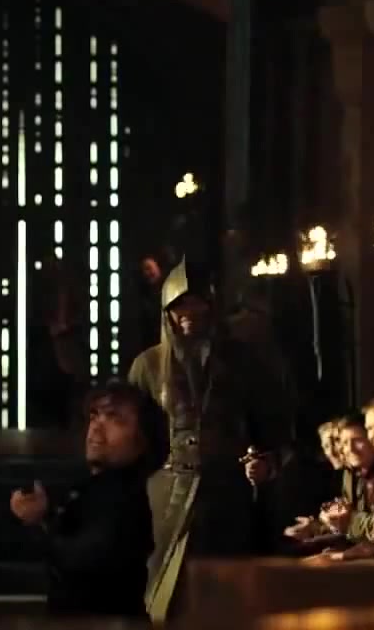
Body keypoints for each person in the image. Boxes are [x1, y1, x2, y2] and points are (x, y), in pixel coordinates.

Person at [127, 259, 290, 621]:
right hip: (166, 492)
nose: (189, 312)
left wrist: (264, 461)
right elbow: (136, 437)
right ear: (167, 312)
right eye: (180, 305)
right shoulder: (148, 366)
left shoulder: (243, 362)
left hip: (226, 492)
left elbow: (271, 427)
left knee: (224, 597)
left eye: (197, 303)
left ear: (211, 306)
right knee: (163, 594)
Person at [9, 379, 167, 618]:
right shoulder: (91, 488)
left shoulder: (133, 496)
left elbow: (84, 562)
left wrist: (38, 522)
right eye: (94, 416)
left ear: (144, 439)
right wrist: (43, 518)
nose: (96, 427)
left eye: (114, 419)